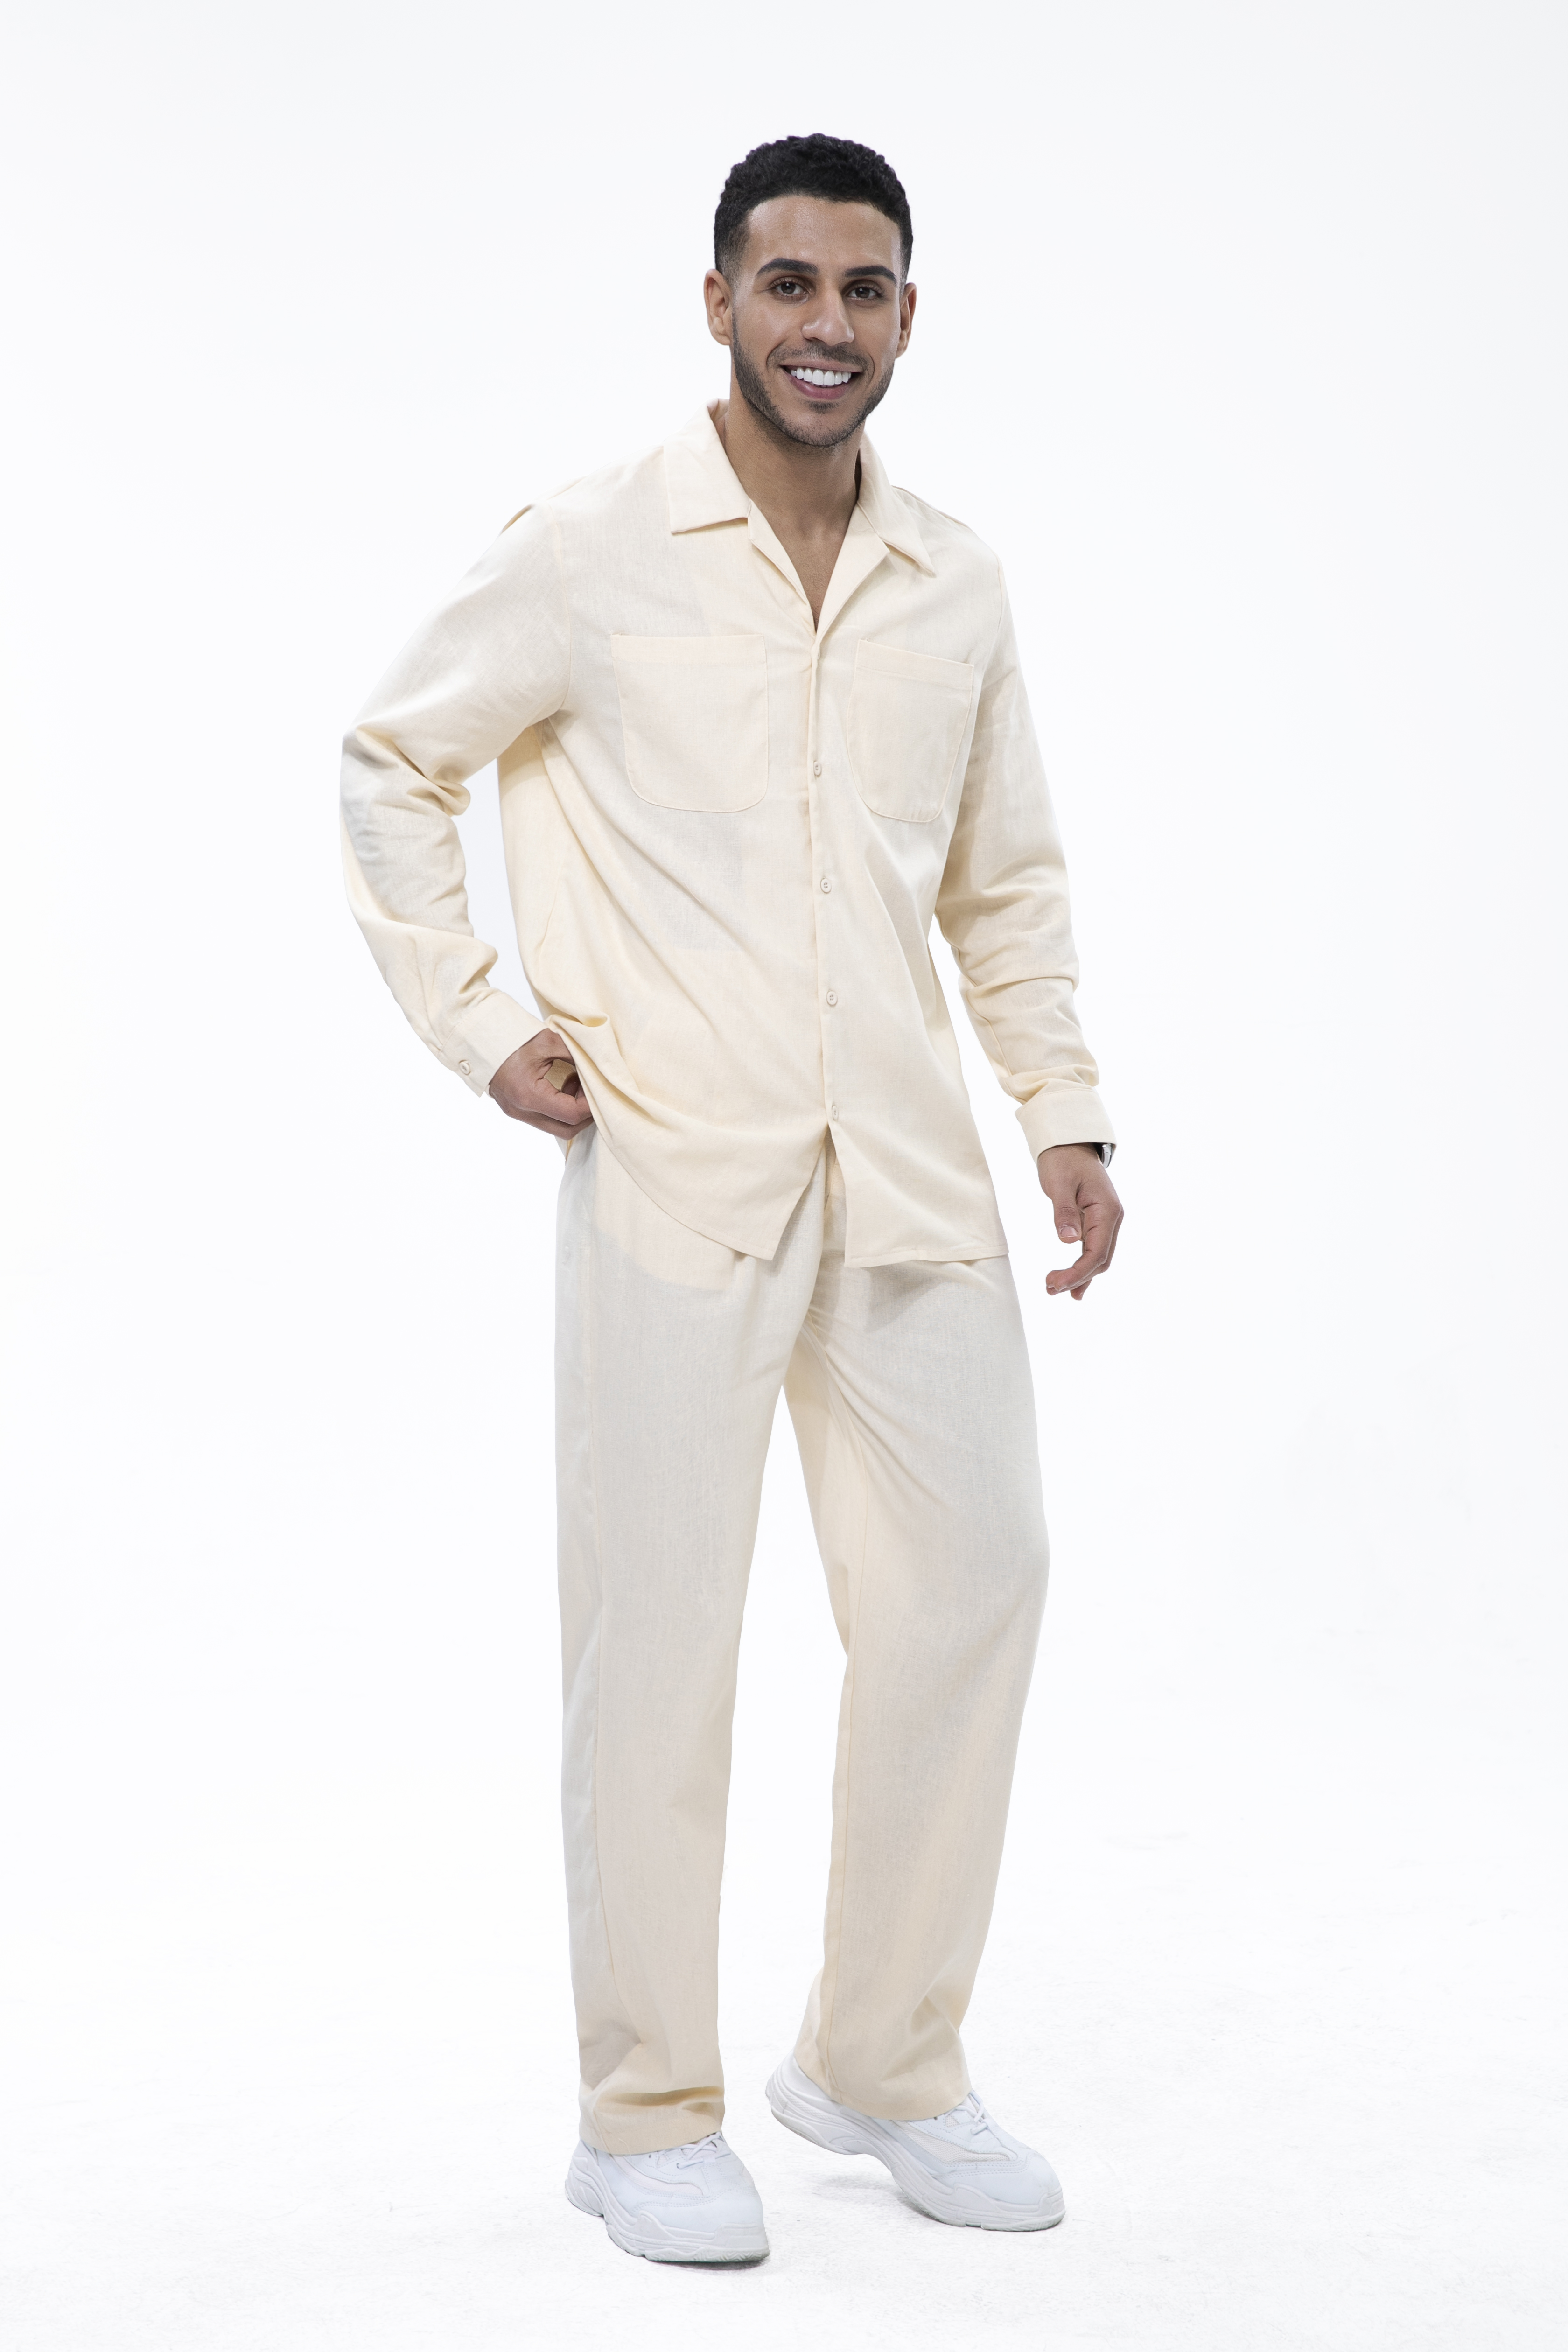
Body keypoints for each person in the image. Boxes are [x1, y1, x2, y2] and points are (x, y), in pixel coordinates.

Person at [341, 131, 1122, 2266]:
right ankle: (644, 2113)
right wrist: (480, 1021)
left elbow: (1003, 879)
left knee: (978, 1586)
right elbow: (393, 760)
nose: (825, 326)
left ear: (907, 315)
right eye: (789, 285)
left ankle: (882, 2061)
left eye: (864, 289)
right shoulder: (590, 546)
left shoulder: (954, 580)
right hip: (675, 1177)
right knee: (661, 1650)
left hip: (909, 1173)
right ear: (719, 303)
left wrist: (1063, 1109)